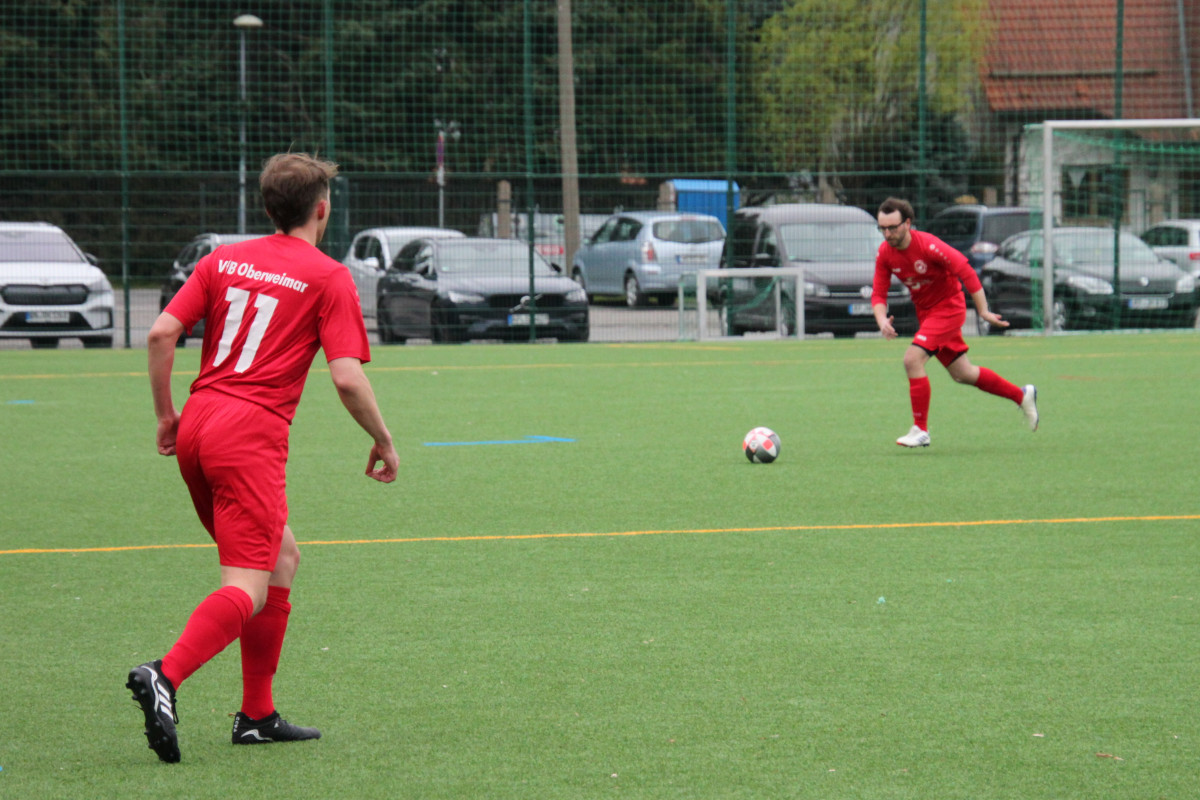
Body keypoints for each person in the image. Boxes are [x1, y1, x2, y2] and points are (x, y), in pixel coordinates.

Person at [127, 152, 400, 763]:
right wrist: (382, 438)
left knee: (281, 555)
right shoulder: (328, 276)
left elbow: (160, 334)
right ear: (322, 208)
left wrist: (165, 416)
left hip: (198, 423)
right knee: (247, 584)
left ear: (269, 206)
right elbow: (349, 381)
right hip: (248, 437)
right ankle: (164, 676)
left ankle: (256, 715)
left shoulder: (222, 259)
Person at [872, 197, 1038, 447]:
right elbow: (878, 292)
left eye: (892, 227)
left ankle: (920, 429)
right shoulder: (885, 252)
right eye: (882, 228)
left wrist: (983, 311)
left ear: (907, 223)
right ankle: (1022, 396)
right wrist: (881, 319)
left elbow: (967, 271)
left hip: (949, 310)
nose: (887, 233)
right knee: (963, 374)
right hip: (927, 315)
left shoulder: (929, 246)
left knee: (912, 359)